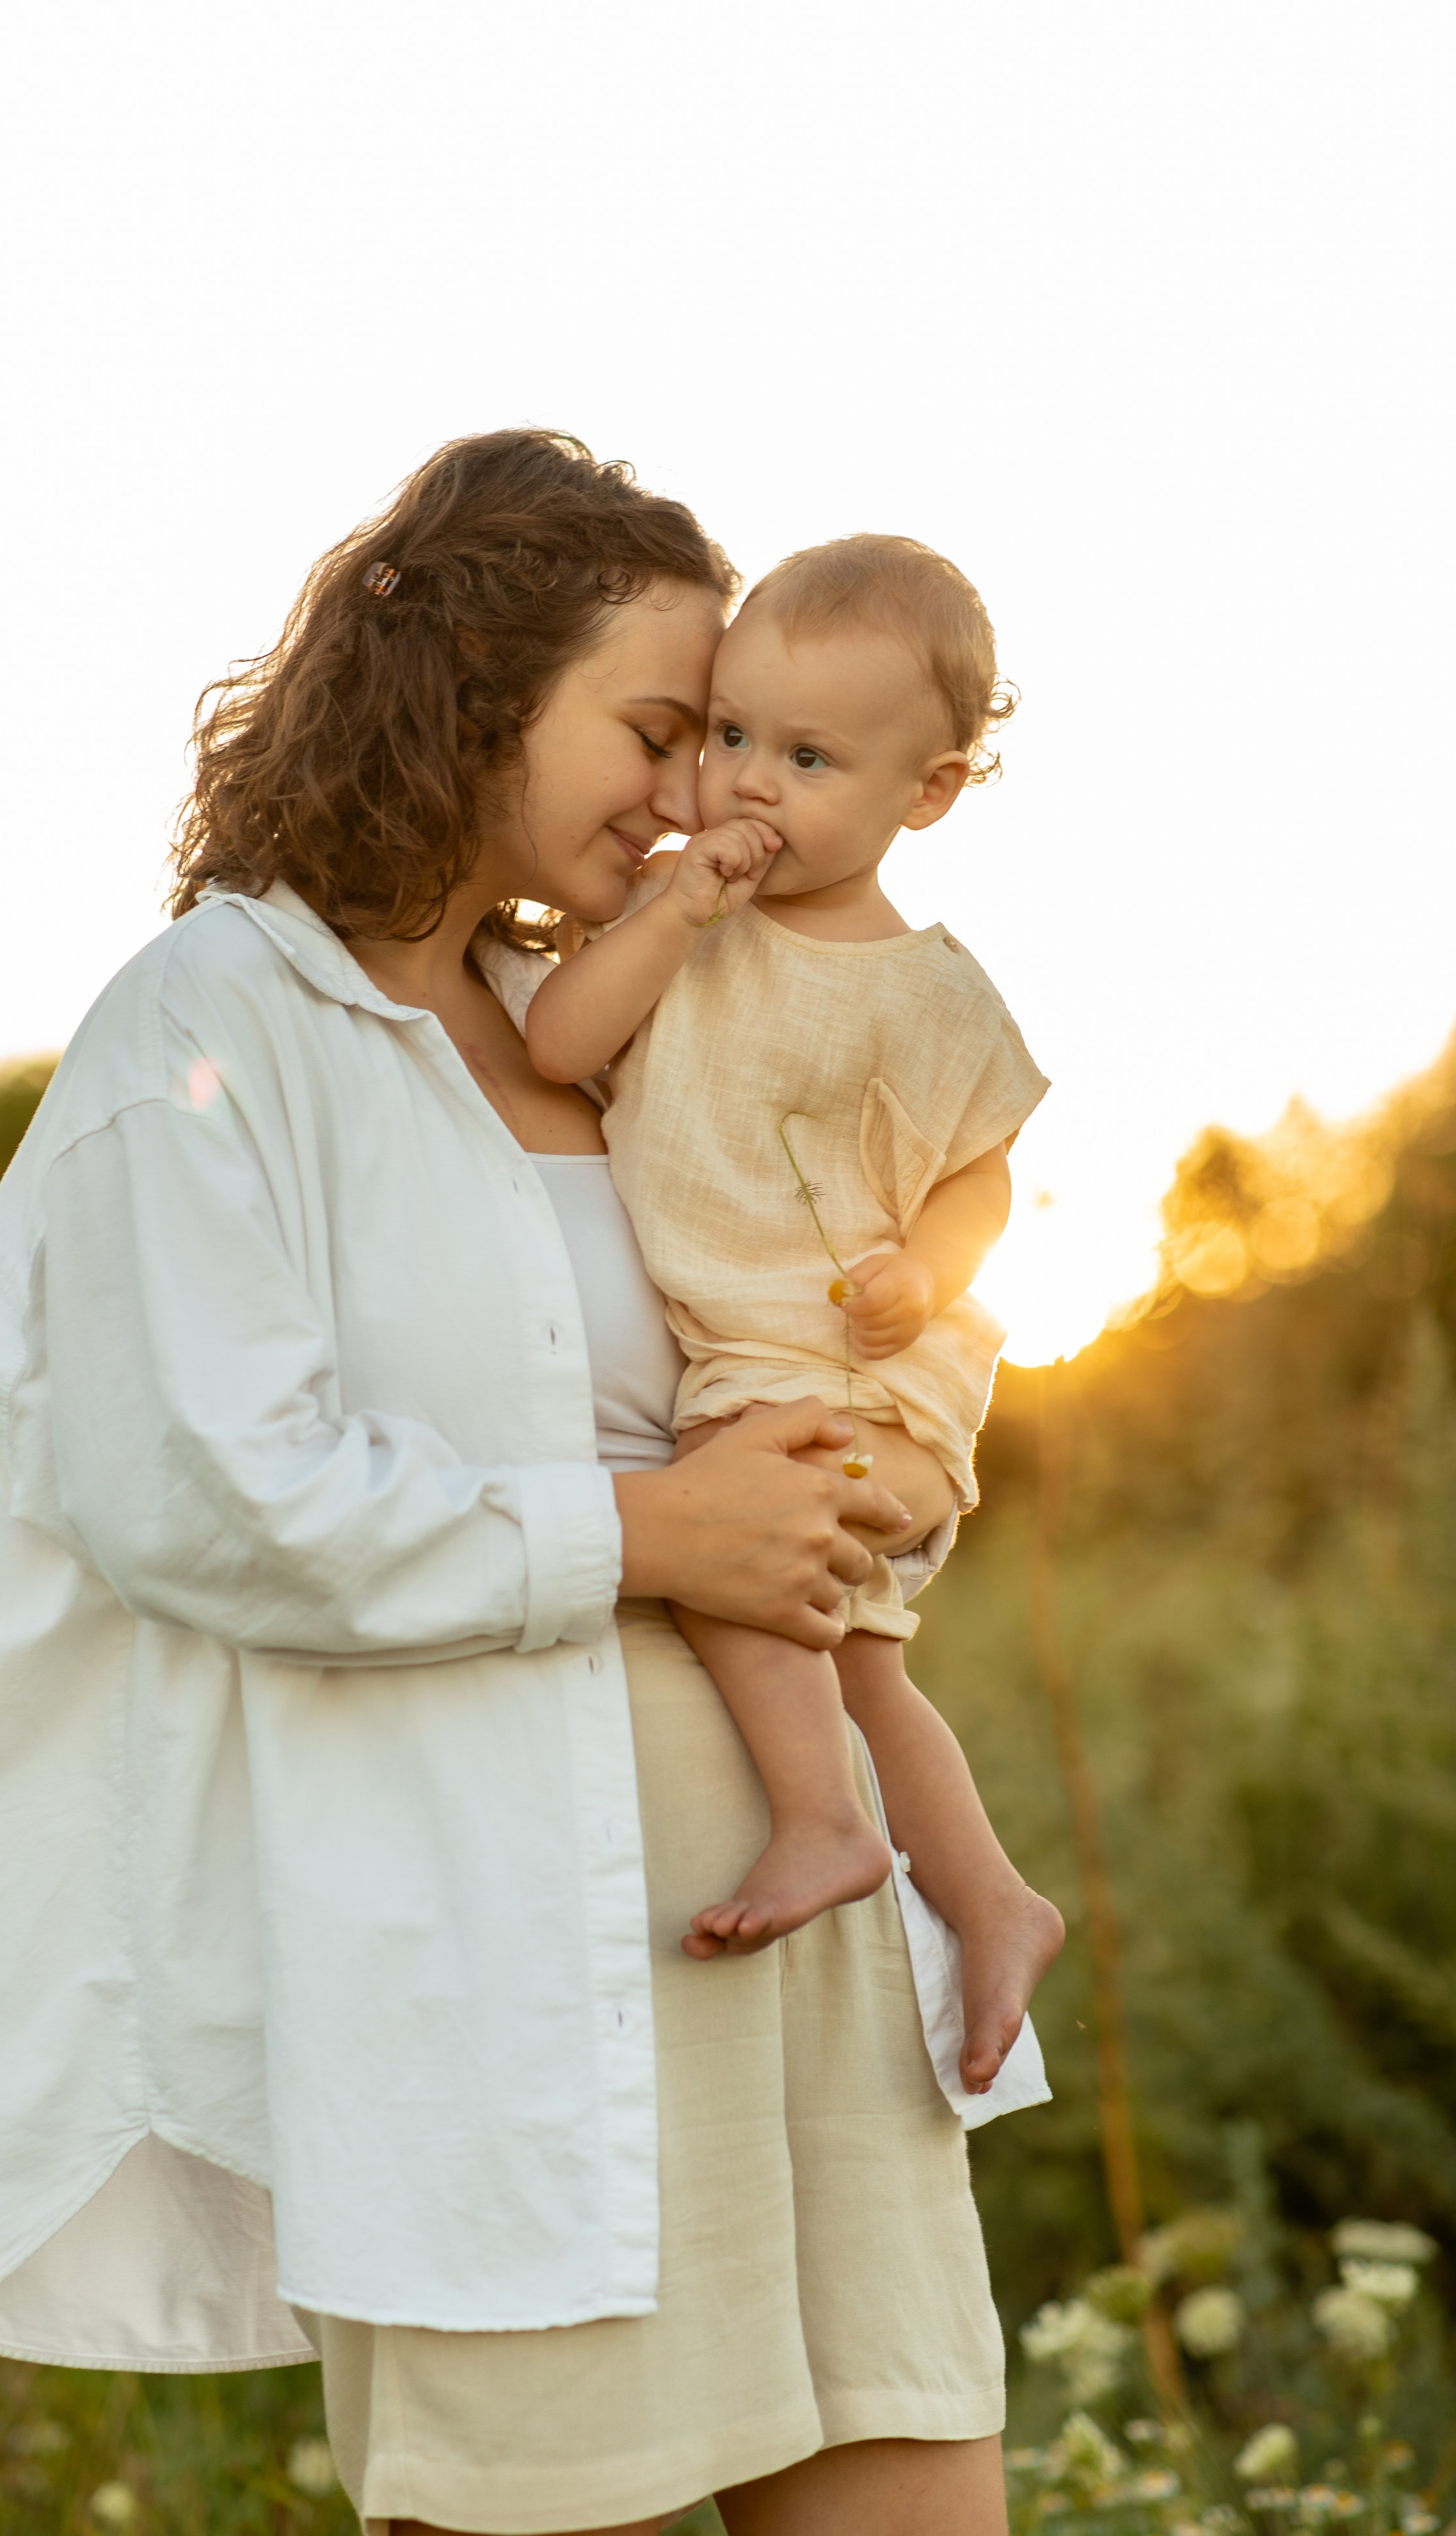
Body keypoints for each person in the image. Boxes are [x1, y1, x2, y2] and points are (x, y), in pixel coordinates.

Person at [0, 433, 1020, 2536]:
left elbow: (852, 1328)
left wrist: (876, 1475)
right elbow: (207, 1488)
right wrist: (647, 1533)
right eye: (660, 730)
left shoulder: (610, 1021)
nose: (701, 798)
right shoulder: (214, 1029)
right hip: (498, 1973)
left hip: (806, 1929)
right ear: (481, 687)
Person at [525, 535, 1065, 2093]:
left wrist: (933, 1272)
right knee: (858, 1666)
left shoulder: (935, 994)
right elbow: (562, 1042)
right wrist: (671, 917)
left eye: (809, 757)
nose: (748, 783)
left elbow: (981, 1178)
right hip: (763, 1365)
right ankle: (986, 1893)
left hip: (848, 1372)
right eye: (728, 736)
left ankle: (825, 1825)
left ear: (929, 791)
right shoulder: (673, 920)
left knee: (721, 1552)